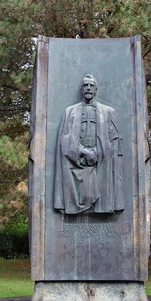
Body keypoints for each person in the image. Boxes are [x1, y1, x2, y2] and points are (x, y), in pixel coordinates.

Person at [54, 74, 124, 214]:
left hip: (100, 158)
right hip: (78, 157)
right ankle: (75, 206)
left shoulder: (108, 112)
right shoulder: (70, 112)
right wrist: (83, 151)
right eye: (85, 85)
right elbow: (65, 140)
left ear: (96, 89)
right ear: (81, 89)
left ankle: (102, 206)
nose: (88, 88)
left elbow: (114, 141)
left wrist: (97, 152)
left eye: (91, 85)